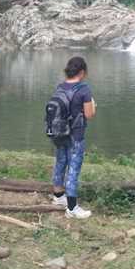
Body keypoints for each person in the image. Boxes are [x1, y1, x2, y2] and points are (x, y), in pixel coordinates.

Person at [49, 57, 95, 219]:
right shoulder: (84, 89)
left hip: (59, 132)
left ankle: (58, 196)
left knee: (61, 162)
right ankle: (72, 208)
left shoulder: (60, 86)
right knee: (74, 168)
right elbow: (89, 114)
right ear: (82, 72)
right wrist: (93, 104)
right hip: (76, 134)